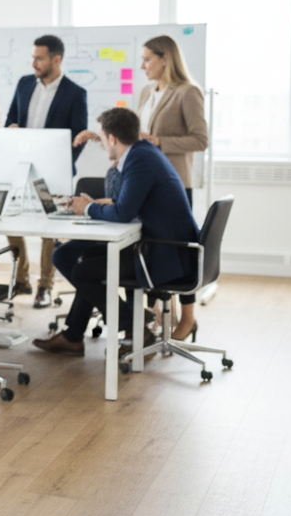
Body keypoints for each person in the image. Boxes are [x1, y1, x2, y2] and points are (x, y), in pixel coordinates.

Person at [34, 107, 199, 356]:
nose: (101, 144)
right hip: (158, 244)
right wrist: (93, 205)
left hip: (163, 253)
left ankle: (133, 327)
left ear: (112, 138)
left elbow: (123, 212)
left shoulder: (139, 160)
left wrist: (88, 208)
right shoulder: (143, 153)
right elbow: (127, 203)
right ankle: (83, 332)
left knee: (85, 270)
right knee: (83, 260)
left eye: (101, 138)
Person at [73, 34, 206, 339]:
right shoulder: (147, 92)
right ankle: (151, 319)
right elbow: (128, 134)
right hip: (144, 174)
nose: (143, 64)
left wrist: (157, 141)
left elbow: (200, 139)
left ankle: (186, 319)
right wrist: (100, 136)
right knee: (143, 244)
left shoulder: (188, 92)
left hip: (172, 177)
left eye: (148, 58)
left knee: (173, 243)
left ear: (165, 59)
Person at [3, 34, 87, 309]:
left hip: (53, 173)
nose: (34, 63)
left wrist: (61, 165)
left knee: (48, 229)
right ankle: (22, 278)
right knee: (12, 222)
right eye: (33, 57)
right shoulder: (25, 84)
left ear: (56, 59)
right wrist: (11, 129)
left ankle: (45, 286)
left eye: (39, 58)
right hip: (21, 170)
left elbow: (78, 139)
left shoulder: (75, 93)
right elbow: (11, 120)